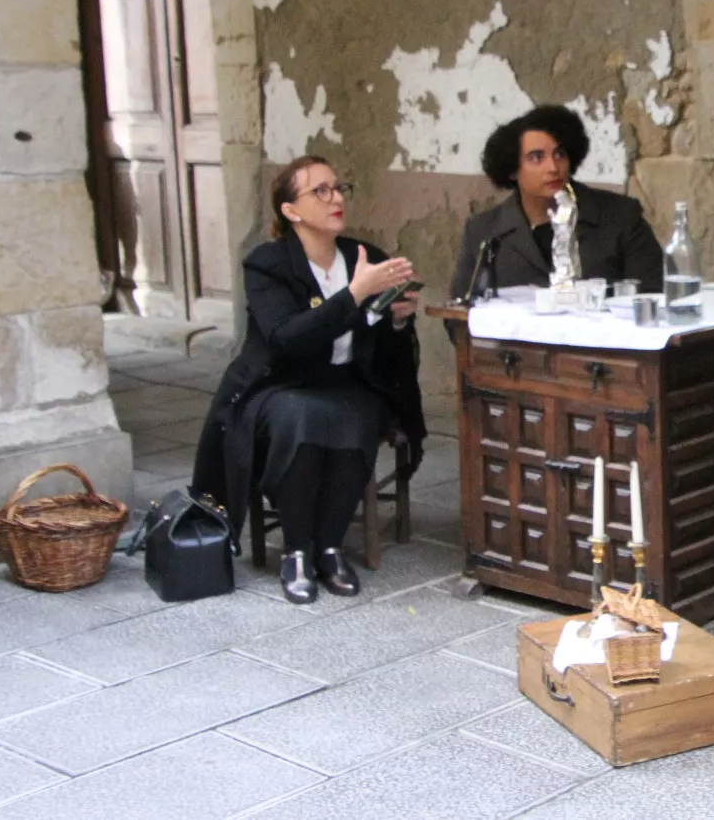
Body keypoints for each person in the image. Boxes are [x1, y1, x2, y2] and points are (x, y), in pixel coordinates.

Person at [192, 155, 427, 605]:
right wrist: (355, 294)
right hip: (279, 385)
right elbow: (287, 339)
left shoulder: (364, 258)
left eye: (338, 188)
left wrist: (398, 317)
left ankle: (330, 548)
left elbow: (385, 350)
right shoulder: (268, 265)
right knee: (302, 416)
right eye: (320, 190)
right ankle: (297, 552)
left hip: (347, 382)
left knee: (356, 415)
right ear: (291, 210)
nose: (335, 197)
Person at [449, 104, 664, 302]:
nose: (553, 167)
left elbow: (651, 298)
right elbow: (459, 314)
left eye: (560, 154)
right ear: (513, 169)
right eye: (536, 157)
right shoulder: (483, 231)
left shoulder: (620, 216)